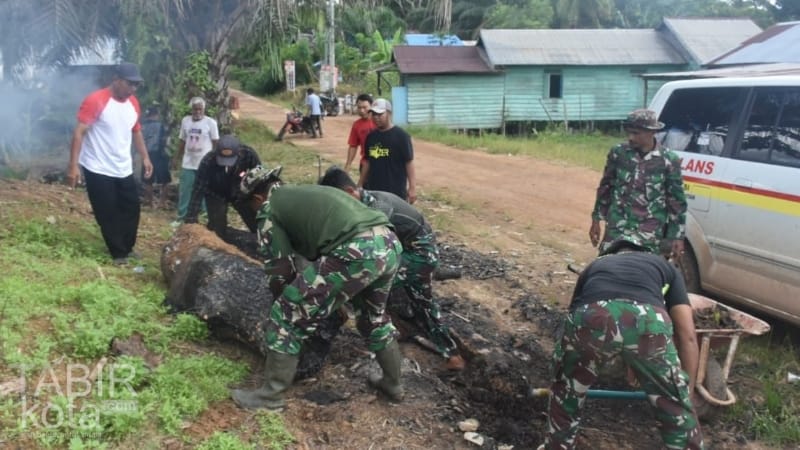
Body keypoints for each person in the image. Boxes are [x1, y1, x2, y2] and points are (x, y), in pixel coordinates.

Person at [230, 166, 405, 410]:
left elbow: (279, 270)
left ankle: (270, 396)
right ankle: (393, 384)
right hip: (388, 242)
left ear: (257, 198)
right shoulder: (302, 194)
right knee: (373, 318)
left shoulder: (269, 209)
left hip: (357, 249)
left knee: (286, 314)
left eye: (251, 205)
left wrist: (289, 304)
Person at [542, 234, 703, 450]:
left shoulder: (596, 265)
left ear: (611, 254)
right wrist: (686, 395)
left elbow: (574, 317)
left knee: (566, 397)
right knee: (677, 412)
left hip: (592, 316)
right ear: (645, 252)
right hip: (648, 322)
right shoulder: (664, 266)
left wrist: (564, 372)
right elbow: (688, 336)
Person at [320, 166, 465, 370]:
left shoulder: (378, 208)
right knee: (413, 300)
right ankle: (398, 330)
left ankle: (449, 354)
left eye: (338, 201)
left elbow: (373, 249)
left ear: (348, 192)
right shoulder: (363, 202)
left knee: (378, 286)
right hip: (403, 250)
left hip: (420, 254)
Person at [66, 62, 153, 266]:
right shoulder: (96, 100)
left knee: (131, 208)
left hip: (122, 166)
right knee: (108, 211)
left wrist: (146, 157)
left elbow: (136, 130)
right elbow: (79, 132)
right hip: (97, 166)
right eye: (130, 84)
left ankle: (127, 247)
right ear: (117, 80)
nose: (133, 89)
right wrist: (73, 165)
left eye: (136, 85)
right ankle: (118, 253)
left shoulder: (133, 103)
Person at [590, 108, 687, 258]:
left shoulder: (668, 160)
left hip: (649, 233)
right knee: (607, 268)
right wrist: (596, 219)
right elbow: (606, 187)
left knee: (645, 273)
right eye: (629, 132)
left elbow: (676, 201)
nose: (630, 137)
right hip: (618, 227)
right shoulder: (618, 153)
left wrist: (677, 236)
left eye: (636, 133)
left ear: (651, 132)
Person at [184, 134, 261, 239]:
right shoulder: (208, 161)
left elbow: (260, 177)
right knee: (217, 230)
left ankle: (264, 245)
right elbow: (198, 190)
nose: (227, 165)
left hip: (240, 191)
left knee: (256, 223)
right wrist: (190, 220)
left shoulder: (248, 154)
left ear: (239, 152)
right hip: (215, 193)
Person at [358, 98, 417, 203]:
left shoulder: (401, 136)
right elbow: (367, 162)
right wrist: (360, 184)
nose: (376, 118)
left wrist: (412, 188)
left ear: (389, 114)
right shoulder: (371, 137)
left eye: (380, 114)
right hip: (374, 190)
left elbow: (409, 162)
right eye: (374, 114)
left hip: (396, 192)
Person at [176, 97, 219, 222]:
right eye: (195, 109)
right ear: (191, 109)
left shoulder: (210, 123)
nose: (197, 112)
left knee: (205, 190)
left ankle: (205, 217)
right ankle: (182, 217)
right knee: (185, 190)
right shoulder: (185, 121)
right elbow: (182, 140)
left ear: (204, 109)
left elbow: (215, 142)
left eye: (200, 109)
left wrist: (214, 159)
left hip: (204, 163)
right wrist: (177, 157)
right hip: (188, 162)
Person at [139, 106, 171, 207]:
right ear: (156, 115)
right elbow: (165, 141)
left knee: (148, 180)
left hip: (146, 154)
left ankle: (149, 201)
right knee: (165, 180)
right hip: (159, 154)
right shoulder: (161, 125)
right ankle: (162, 203)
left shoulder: (142, 126)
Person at [344, 94, 376, 172]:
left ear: (371, 106)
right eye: (359, 107)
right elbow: (353, 146)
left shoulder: (379, 122)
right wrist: (348, 165)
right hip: (365, 164)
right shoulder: (357, 125)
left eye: (365, 107)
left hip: (382, 164)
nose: (362, 111)